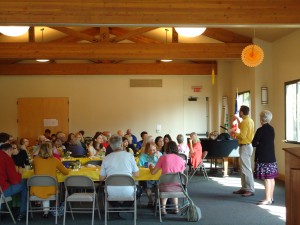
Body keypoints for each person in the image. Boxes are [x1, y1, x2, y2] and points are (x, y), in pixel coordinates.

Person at [31, 142, 69, 218]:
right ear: (51, 150)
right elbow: (66, 172)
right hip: (51, 189)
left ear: (40, 150)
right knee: (50, 186)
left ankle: (45, 211)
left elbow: (35, 171)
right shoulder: (55, 160)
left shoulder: (35, 160)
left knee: (43, 185)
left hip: (36, 189)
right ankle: (48, 210)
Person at [100, 135, 139, 208]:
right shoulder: (130, 156)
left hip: (111, 191)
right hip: (128, 190)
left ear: (111, 146)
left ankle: (117, 207)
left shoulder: (106, 158)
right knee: (139, 190)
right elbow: (136, 174)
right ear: (121, 144)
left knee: (104, 192)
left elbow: (101, 178)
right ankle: (125, 208)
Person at [149, 141, 186, 215]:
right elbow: (181, 175)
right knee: (174, 183)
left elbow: (153, 172)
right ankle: (176, 208)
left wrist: (150, 167)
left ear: (166, 148)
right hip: (178, 188)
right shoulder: (182, 160)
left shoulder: (163, 158)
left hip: (164, 187)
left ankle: (163, 209)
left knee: (164, 184)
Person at [229, 105, 255, 197]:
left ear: (241, 112)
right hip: (247, 146)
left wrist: (232, 131)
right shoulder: (249, 120)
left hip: (245, 146)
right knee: (244, 168)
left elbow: (242, 136)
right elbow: (241, 126)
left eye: (239, 112)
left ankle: (250, 189)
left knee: (246, 169)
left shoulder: (245, 122)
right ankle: (244, 188)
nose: (238, 113)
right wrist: (237, 118)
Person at [252, 110, 278, 205]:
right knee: (271, 178)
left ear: (261, 119)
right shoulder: (272, 129)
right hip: (271, 156)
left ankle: (267, 199)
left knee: (267, 178)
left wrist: (259, 143)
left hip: (263, 157)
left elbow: (254, 143)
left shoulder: (260, 130)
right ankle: (270, 198)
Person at [0, 142, 27, 222]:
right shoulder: (7, 158)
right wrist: (19, 174)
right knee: (24, 184)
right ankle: (23, 213)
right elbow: (14, 180)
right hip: (2, 190)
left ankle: (3, 210)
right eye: (12, 151)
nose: (12, 153)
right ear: (8, 150)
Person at [138, 143, 161, 207]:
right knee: (146, 185)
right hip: (146, 177)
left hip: (158, 177)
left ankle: (157, 201)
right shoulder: (143, 156)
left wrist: (159, 157)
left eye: (154, 150)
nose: (152, 151)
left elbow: (163, 166)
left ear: (156, 149)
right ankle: (150, 200)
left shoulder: (159, 155)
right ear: (147, 150)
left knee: (159, 185)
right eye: (150, 150)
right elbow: (140, 167)